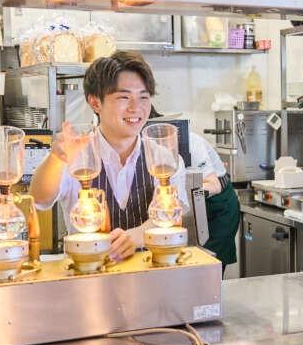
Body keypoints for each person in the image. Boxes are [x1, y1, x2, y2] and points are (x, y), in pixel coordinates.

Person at [31, 51, 188, 261]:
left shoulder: (164, 158)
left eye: (143, 97)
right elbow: (39, 199)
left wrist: (137, 236)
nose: (136, 108)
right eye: (124, 97)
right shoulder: (77, 152)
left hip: (150, 273)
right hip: (88, 274)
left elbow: (173, 214)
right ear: (95, 102)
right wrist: (56, 158)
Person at [148, 106, 240, 270]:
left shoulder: (191, 141)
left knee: (210, 266)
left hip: (217, 206)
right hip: (191, 205)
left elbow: (215, 185)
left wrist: (179, 194)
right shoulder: (148, 147)